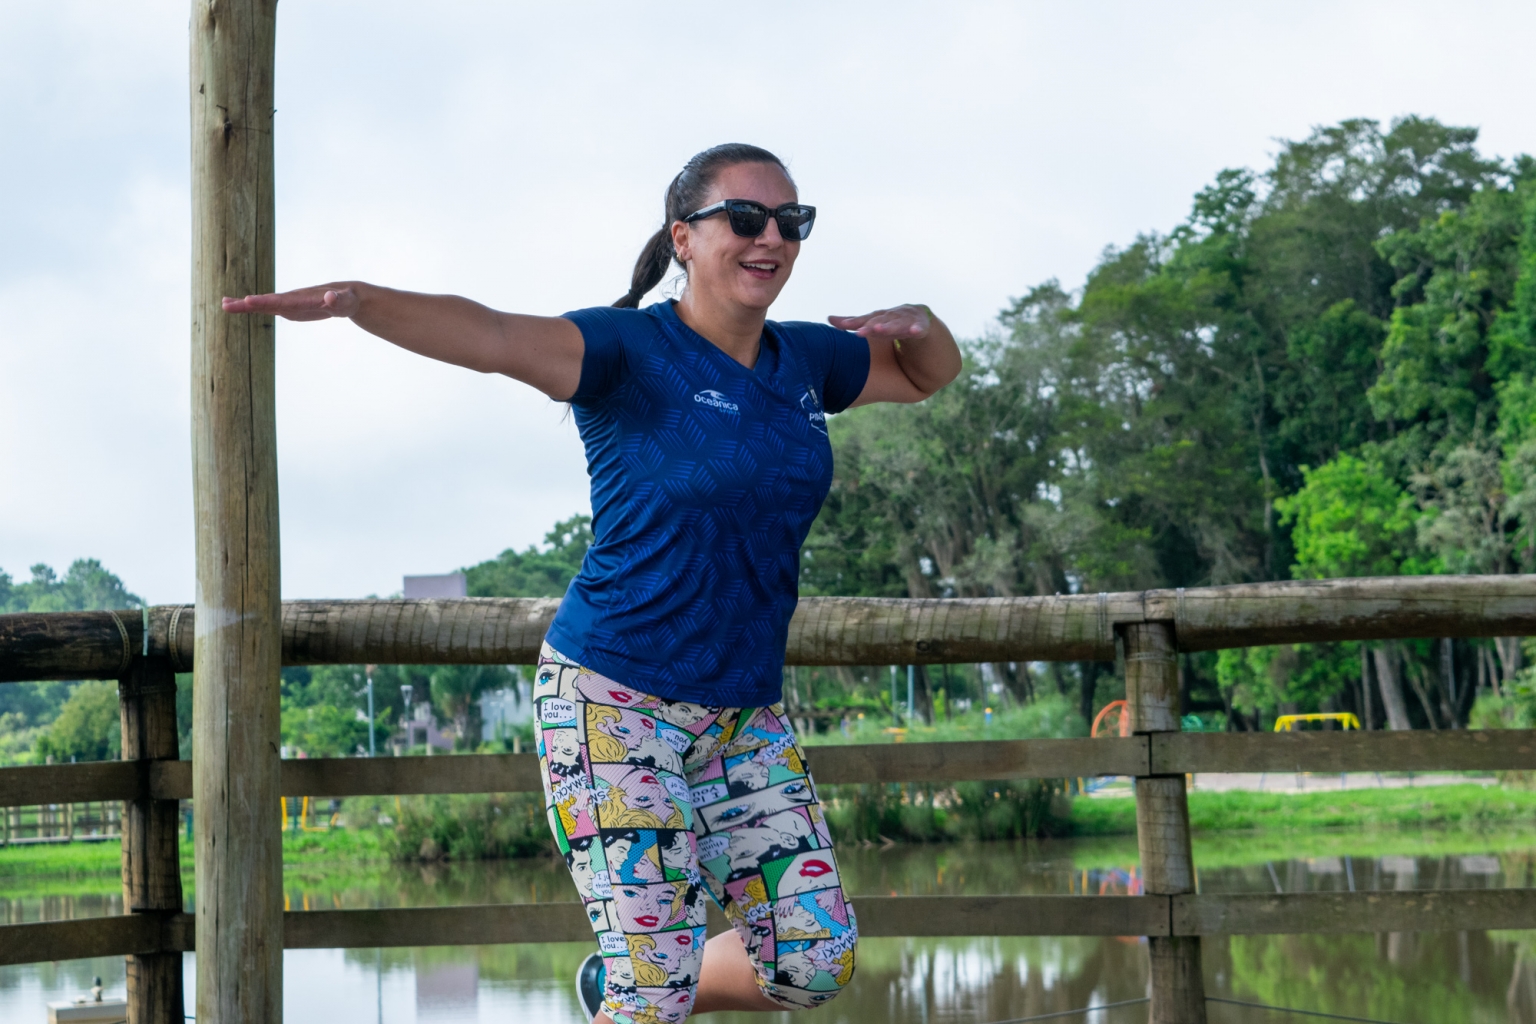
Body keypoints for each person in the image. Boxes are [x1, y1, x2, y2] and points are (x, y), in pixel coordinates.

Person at [225, 142, 960, 1024]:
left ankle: (615, 984)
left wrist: (922, 322)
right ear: (683, 237)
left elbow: (924, 374)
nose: (771, 237)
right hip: (614, 701)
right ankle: (640, 984)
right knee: (653, 990)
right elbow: (494, 337)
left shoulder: (807, 360)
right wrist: (360, 301)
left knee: (813, 963)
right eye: (745, 217)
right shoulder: (628, 349)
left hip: (741, 716)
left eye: (790, 221)